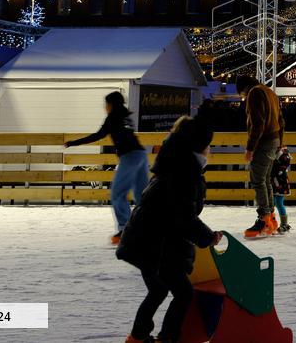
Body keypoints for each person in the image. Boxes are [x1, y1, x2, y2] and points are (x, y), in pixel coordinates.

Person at [117, 115, 222, 343]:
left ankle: (137, 337)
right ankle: (167, 338)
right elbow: (183, 217)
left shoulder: (174, 163)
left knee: (158, 291)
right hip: (155, 245)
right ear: (199, 147)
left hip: (145, 242)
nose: (210, 150)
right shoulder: (184, 174)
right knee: (183, 294)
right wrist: (208, 237)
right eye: (208, 146)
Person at [64, 91, 148, 244]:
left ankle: (126, 230)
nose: (105, 107)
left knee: (117, 194)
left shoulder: (113, 118)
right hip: (141, 155)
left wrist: (72, 143)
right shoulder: (125, 116)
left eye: (106, 104)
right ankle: (149, 229)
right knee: (141, 196)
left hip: (130, 157)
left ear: (111, 105)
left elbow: (97, 136)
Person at [236, 75, 285, 238]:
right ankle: (271, 218)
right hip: (274, 140)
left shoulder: (255, 93)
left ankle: (264, 219)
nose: (244, 98)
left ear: (244, 88)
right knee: (265, 180)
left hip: (263, 142)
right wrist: (280, 142)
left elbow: (258, 122)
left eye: (242, 95)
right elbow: (281, 121)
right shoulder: (270, 92)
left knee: (258, 181)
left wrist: (250, 148)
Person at [271, 146, 293, 233]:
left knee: (279, 203)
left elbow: (282, 167)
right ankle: (269, 222)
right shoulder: (271, 153)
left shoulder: (283, 155)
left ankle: (284, 224)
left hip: (280, 181)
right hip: (272, 181)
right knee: (270, 203)